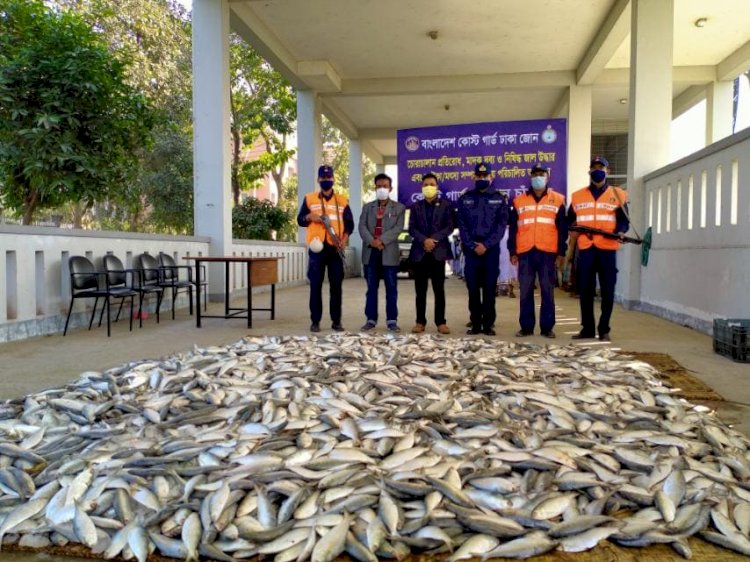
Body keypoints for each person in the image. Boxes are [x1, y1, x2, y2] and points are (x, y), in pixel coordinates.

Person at [567, 156, 629, 341]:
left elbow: (624, 220)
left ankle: (604, 329)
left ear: (607, 171)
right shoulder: (578, 196)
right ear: (589, 171)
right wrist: (573, 230)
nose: (597, 169)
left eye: (600, 167)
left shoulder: (618, 194)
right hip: (586, 248)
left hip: (607, 248)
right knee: (585, 290)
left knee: (608, 290)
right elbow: (570, 219)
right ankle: (587, 328)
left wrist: (620, 232)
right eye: (594, 167)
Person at [508, 164, 568, 338]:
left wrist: (561, 252)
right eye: (535, 174)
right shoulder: (519, 201)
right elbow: (513, 229)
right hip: (525, 252)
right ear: (530, 177)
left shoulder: (557, 200)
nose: (538, 177)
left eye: (541, 174)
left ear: (547, 177)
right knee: (525, 290)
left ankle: (547, 327)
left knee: (547, 290)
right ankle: (526, 327)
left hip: (547, 253)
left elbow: (562, 229)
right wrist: (512, 250)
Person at [297, 165, 354, 332]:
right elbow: (300, 220)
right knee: (315, 286)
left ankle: (336, 321)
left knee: (336, 286)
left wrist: (343, 240)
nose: (326, 180)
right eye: (323, 178)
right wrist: (309, 216)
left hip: (335, 249)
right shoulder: (309, 199)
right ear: (318, 180)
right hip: (317, 249)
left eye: (329, 178)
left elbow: (349, 224)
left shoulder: (343, 200)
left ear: (334, 179)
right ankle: (315, 321)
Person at [456, 162, 509, 335]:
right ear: (474, 177)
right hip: (471, 251)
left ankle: (488, 325)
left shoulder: (500, 198)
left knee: (488, 288)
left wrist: (486, 245)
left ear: (491, 177)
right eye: (479, 176)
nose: (482, 178)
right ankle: (475, 323)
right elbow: (461, 226)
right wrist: (472, 245)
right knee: (472, 288)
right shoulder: (465, 198)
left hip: (490, 251)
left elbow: (501, 226)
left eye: (485, 176)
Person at [358, 173, 406, 332]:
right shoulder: (367, 207)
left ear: (390, 188)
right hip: (371, 253)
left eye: (385, 186)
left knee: (391, 288)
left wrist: (381, 240)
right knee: (371, 288)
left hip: (389, 253)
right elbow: (362, 227)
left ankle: (392, 320)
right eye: (379, 186)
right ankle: (370, 319)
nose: (382, 189)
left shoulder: (399, 208)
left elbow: (398, 229)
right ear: (375, 188)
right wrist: (372, 241)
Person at [408, 173, 454, 334]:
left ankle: (441, 322)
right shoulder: (415, 207)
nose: (429, 187)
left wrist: (433, 239)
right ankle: (420, 322)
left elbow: (449, 227)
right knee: (420, 291)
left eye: (432, 184)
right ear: (422, 187)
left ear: (437, 187)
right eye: (426, 184)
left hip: (438, 252)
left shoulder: (446, 205)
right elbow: (412, 228)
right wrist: (424, 240)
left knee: (439, 289)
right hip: (420, 253)